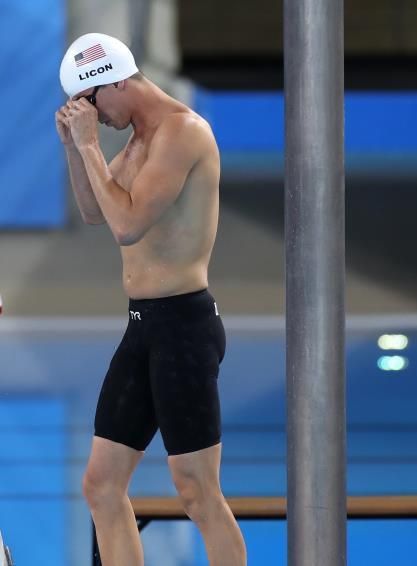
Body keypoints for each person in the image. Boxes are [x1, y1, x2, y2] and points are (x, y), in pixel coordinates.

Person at [55, 33, 246, 565]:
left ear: (115, 80)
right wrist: (76, 147)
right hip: (143, 328)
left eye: (89, 103)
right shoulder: (138, 139)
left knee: (197, 492)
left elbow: (127, 225)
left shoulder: (181, 133)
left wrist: (91, 145)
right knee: (101, 485)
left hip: (184, 327)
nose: (91, 116)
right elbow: (96, 210)